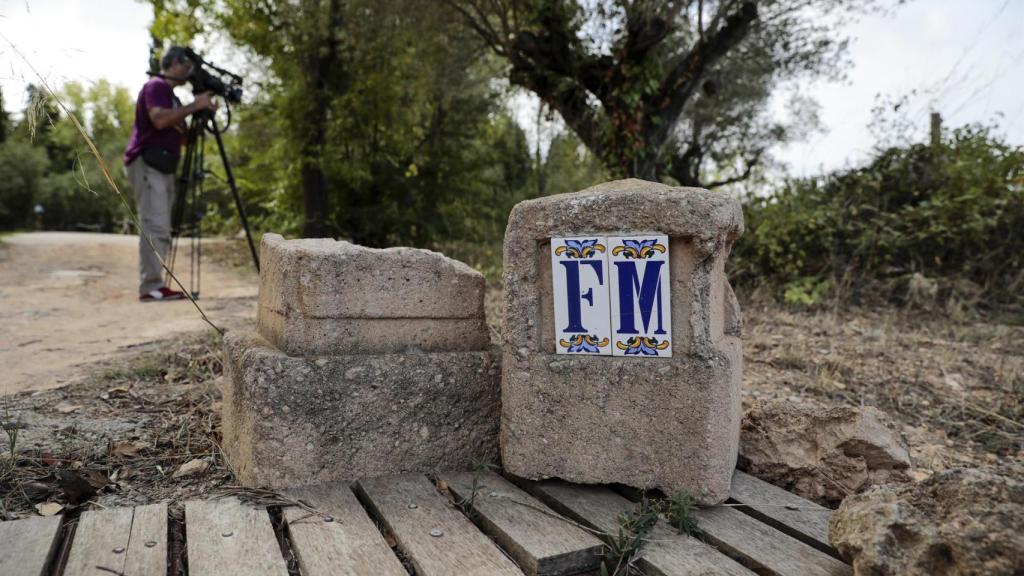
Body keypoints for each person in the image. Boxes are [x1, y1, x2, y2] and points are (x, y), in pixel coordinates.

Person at [124, 46, 218, 302]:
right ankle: (151, 287)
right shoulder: (157, 86)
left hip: (164, 166)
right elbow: (159, 119)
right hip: (147, 163)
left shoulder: (173, 98)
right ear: (176, 63)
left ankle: (155, 285)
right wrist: (194, 104)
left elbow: (184, 138)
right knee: (156, 224)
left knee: (161, 224)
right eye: (187, 66)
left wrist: (202, 114)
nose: (190, 72)